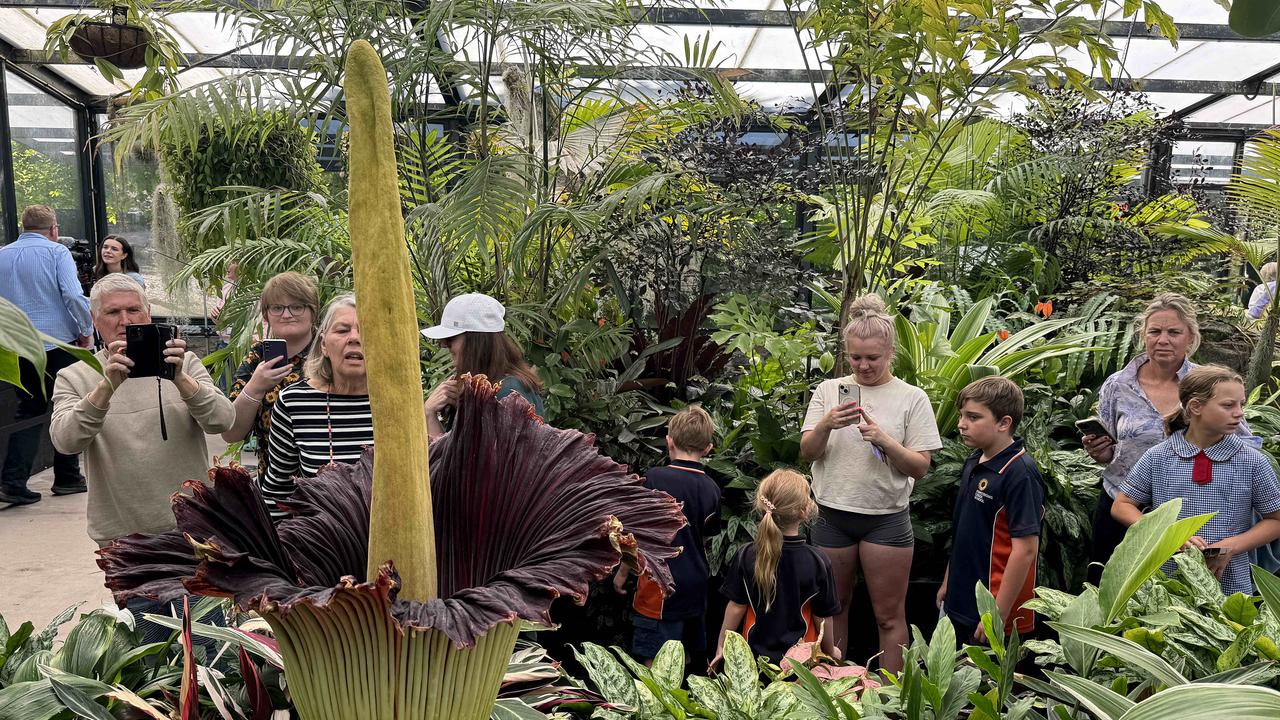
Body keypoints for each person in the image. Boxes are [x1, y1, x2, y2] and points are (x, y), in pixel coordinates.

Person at [799, 293, 942, 672]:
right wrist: (828, 423)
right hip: (831, 512)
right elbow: (808, 452)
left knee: (888, 615)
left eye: (872, 358)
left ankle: (894, 697)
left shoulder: (912, 398)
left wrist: (885, 440)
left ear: (890, 352)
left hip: (886, 518)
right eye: (855, 358)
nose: (863, 366)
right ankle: (836, 690)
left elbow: (920, 467)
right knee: (834, 607)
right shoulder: (828, 392)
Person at [1082, 293, 1257, 583]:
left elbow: (1243, 443)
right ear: (1144, 335)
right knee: (1111, 591)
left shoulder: (1208, 384)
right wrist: (1102, 452)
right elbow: (1113, 444)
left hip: (1187, 511)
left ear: (1190, 337)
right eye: (1155, 331)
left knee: (1177, 596)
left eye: (1174, 332)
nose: (1163, 339)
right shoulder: (1118, 385)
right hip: (1125, 506)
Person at [48, 274, 235, 546]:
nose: (125, 321)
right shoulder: (74, 376)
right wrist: (106, 387)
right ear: (95, 320)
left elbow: (222, 421)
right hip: (121, 534)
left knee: (198, 591)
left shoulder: (185, 364)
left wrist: (181, 379)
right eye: (112, 312)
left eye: (134, 310)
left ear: (148, 314)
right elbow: (65, 442)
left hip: (194, 525)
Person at [1112, 366, 1280, 596]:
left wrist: (1231, 546)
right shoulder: (1159, 456)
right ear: (1196, 406)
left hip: (1227, 580)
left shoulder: (1252, 462)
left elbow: (1276, 520)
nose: (1240, 412)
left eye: (1241, 404)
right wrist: (1168, 536)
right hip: (1164, 578)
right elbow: (1121, 506)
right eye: (1228, 405)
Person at [938, 377, 1043, 645]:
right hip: (958, 599)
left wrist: (998, 613)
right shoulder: (975, 460)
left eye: (973, 417)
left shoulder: (1020, 473)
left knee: (987, 684)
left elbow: (1026, 549)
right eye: (962, 415)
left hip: (991, 607)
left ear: (1003, 423)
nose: (961, 424)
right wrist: (948, 582)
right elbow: (963, 530)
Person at [613, 405, 721, 667]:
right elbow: (707, 539)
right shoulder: (712, 489)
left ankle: (655, 707)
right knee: (683, 653)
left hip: (660, 585)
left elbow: (636, 533)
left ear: (669, 441)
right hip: (695, 584)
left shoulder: (655, 479)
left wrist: (623, 572)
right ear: (707, 448)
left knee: (655, 658)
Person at [0, 205, 94, 505]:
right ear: (53, 230)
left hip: (17, 346)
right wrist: (86, 329)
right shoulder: (57, 253)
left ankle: (13, 480)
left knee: (28, 409)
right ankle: (67, 476)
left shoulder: (2, 254)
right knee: (66, 404)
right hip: (58, 344)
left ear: (22, 227)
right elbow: (72, 294)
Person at [714, 469, 841, 666]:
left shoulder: (747, 554)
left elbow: (736, 607)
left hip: (754, 663)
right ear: (804, 511)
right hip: (801, 666)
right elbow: (822, 616)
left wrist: (722, 646)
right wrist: (830, 650)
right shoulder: (817, 560)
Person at [262, 294, 372, 519]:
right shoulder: (295, 402)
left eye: (366, 330)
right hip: (319, 546)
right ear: (323, 345)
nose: (354, 338)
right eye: (342, 330)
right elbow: (278, 490)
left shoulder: (401, 404)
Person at [223, 272, 319, 479]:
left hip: (329, 486)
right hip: (274, 486)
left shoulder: (331, 352)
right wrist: (255, 387)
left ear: (313, 311)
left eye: (297, 306)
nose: (287, 314)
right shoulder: (257, 357)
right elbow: (230, 433)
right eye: (277, 308)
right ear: (266, 315)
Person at [422, 293, 544, 439]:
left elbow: (464, 461)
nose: (444, 344)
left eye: (450, 339)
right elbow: (453, 455)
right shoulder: (486, 390)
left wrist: (429, 414)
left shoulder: (508, 394)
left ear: (476, 342)